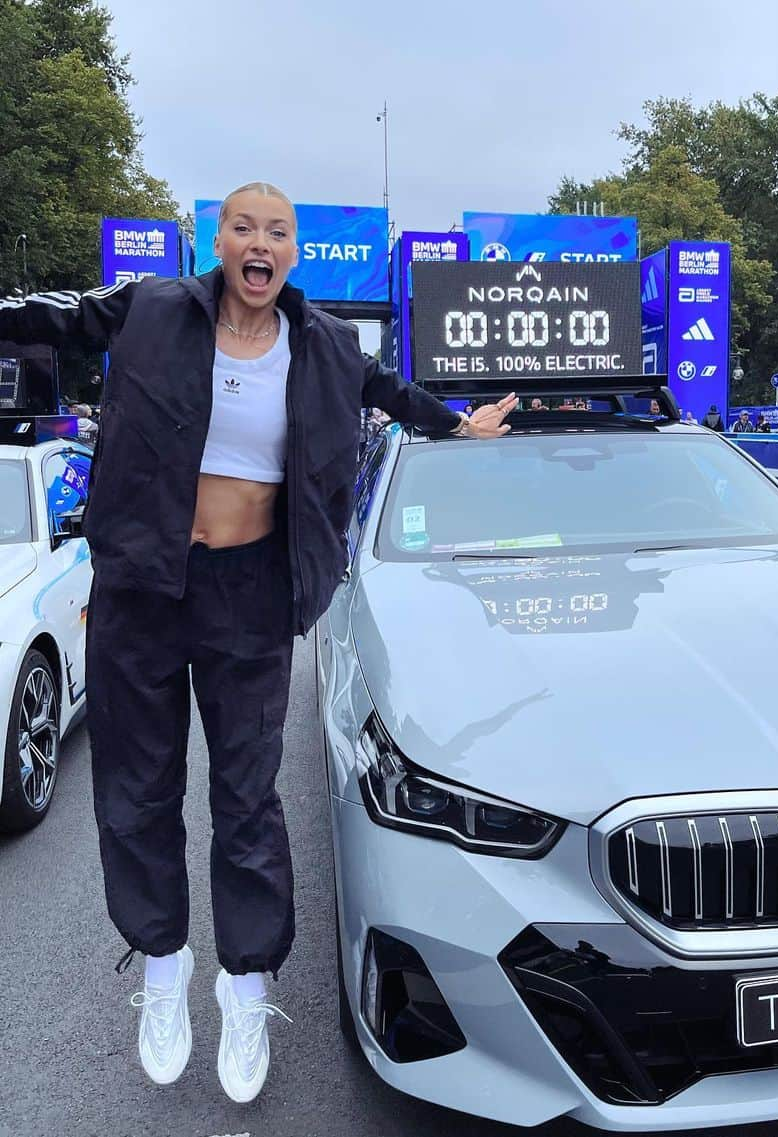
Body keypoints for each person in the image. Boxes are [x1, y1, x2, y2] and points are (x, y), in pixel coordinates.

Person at [0, 183, 514, 1103]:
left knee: (246, 800)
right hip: (144, 589)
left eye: (278, 232)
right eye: (245, 227)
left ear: (293, 253)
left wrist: (457, 423)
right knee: (136, 789)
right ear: (221, 240)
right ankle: (164, 971)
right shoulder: (154, 307)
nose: (261, 243)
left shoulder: (324, 346)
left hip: (250, 592)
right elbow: (65, 321)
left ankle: (245, 986)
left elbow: (394, 395)